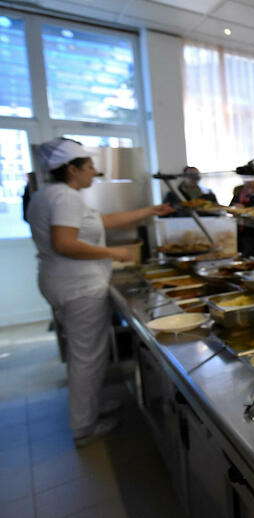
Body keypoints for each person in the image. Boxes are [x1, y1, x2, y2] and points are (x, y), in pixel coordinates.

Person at [26, 138, 174, 447]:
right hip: (78, 286)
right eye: (90, 166)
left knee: (84, 353)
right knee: (87, 357)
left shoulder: (48, 194)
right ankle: (84, 426)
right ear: (72, 169)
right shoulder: (65, 197)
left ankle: (89, 408)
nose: (94, 172)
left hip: (62, 282)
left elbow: (102, 222)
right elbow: (64, 243)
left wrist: (149, 210)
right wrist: (113, 252)